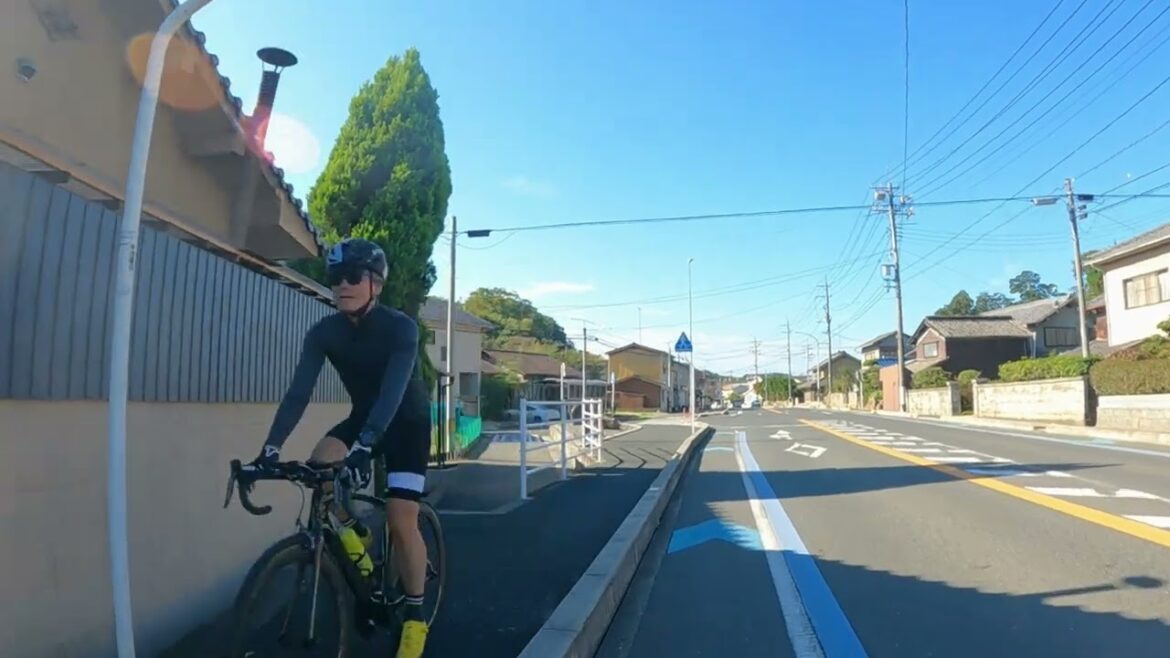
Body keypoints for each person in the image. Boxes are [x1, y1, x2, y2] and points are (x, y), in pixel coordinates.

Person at [251, 237, 432, 658]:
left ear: (377, 285)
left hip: (406, 422)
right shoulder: (324, 333)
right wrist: (270, 449)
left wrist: (367, 444)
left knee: (401, 518)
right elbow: (298, 394)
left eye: (353, 277)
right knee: (319, 463)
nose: (342, 286)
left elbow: (392, 392)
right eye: (335, 279)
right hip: (364, 417)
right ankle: (352, 537)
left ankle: (416, 617)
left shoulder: (400, 327)